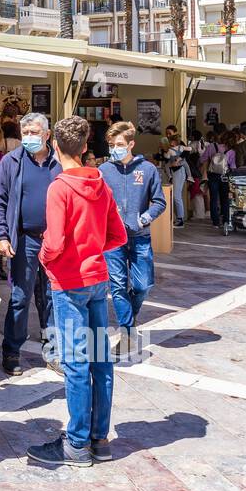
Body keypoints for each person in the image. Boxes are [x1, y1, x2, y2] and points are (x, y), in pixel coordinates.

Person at [27, 116, 127, 468]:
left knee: (75, 363)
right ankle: (99, 438)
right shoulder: (101, 183)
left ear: (55, 145)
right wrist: (92, 247)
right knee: (101, 359)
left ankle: (77, 441)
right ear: (85, 148)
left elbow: (53, 242)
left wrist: (45, 256)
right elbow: (119, 235)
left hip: (69, 283)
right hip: (98, 280)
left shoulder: (60, 187)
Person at [0, 112, 61, 376]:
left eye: (34, 132)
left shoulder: (59, 162)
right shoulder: (10, 162)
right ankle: (11, 351)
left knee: (52, 297)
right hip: (25, 240)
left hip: (55, 241)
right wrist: (1, 235)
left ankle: (53, 350)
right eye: (26, 133)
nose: (29, 137)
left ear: (47, 134)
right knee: (20, 297)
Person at [99, 122, 166, 357]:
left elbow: (159, 202)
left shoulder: (147, 170)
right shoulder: (104, 170)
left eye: (119, 145)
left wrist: (144, 219)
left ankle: (131, 314)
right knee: (117, 287)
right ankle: (127, 334)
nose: (114, 149)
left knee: (142, 285)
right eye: (111, 145)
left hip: (140, 236)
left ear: (131, 144)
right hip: (112, 240)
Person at [201, 126, 234, 228]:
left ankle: (215, 221)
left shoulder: (211, 146)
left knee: (214, 198)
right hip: (225, 176)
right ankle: (225, 220)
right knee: (225, 198)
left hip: (213, 175)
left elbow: (202, 159)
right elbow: (233, 166)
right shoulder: (231, 150)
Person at [164, 134, 189, 228]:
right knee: (177, 196)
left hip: (178, 171)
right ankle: (179, 218)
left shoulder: (172, 149)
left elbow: (166, 157)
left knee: (176, 196)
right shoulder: (181, 148)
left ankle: (180, 219)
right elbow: (189, 149)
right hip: (179, 171)